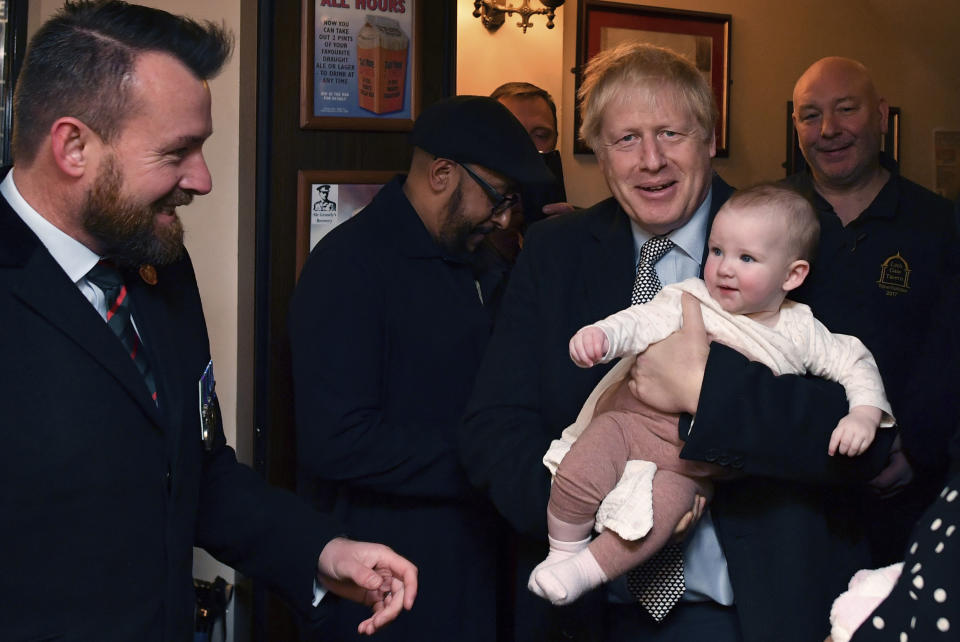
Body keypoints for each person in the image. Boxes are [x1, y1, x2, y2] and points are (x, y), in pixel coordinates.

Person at [0, 3, 417, 640]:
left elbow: (197, 467)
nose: (203, 179)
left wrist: (320, 551)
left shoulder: (158, 264)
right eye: (178, 152)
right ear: (73, 145)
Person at [460, 41, 895, 642]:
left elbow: (868, 442)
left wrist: (705, 391)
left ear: (709, 137)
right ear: (600, 153)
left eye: (671, 133)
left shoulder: (796, 235)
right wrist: (604, 521)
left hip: (750, 614)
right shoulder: (553, 254)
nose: (651, 161)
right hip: (588, 613)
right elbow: (494, 427)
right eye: (627, 139)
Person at [529, 184, 893, 606]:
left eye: (746, 258)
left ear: (793, 275)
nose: (723, 269)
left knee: (657, 516)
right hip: (632, 426)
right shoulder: (692, 297)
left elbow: (855, 362)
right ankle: (564, 550)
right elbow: (640, 321)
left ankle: (583, 571)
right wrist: (603, 337)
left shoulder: (802, 330)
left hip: (691, 469)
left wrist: (864, 414)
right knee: (582, 468)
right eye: (717, 251)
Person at [289, 95, 554, 641]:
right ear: (441, 174)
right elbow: (336, 439)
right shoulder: (348, 265)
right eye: (499, 198)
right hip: (389, 576)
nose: (505, 217)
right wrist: (490, 459)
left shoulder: (480, 261)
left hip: (480, 560)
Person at [787, 56, 960, 564]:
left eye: (846, 109)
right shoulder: (764, 215)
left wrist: (917, 453)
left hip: (905, 496)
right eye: (810, 115)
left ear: (881, 115)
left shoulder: (940, 224)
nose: (830, 130)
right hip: (780, 496)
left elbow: (950, 353)